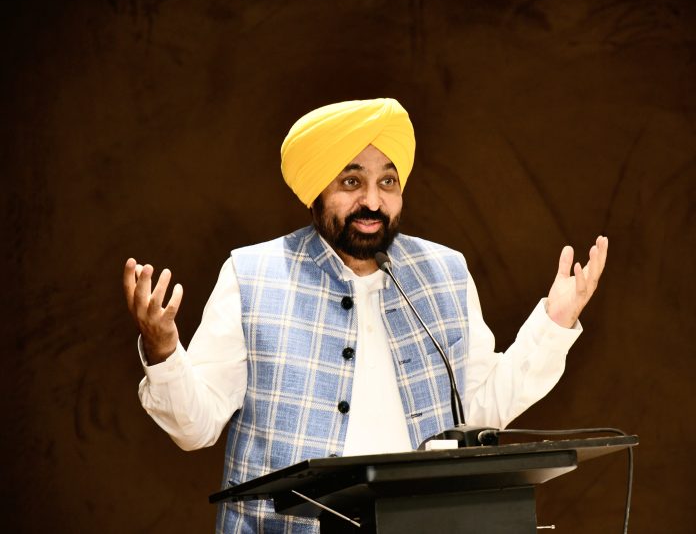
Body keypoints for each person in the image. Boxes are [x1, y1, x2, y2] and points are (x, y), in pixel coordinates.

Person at [123, 98, 608, 532]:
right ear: (317, 190)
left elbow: (479, 412)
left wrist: (554, 323)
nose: (373, 202)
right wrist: (163, 350)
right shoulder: (252, 276)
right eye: (351, 182)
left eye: (387, 182)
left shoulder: (444, 272)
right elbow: (195, 428)